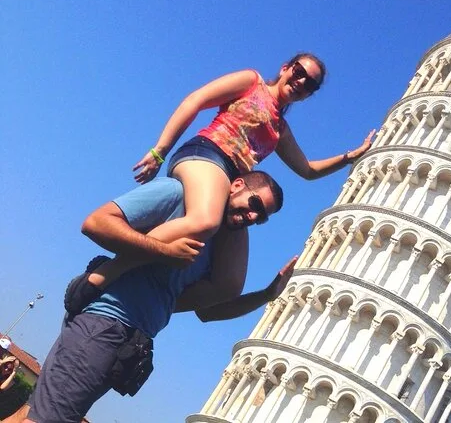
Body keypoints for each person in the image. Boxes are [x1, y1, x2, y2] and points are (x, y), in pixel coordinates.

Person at [65, 52, 374, 313]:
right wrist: (160, 150)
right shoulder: (252, 82)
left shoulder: (281, 129)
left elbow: (307, 169)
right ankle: (105, 275)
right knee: (205, 220)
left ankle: (154, 306)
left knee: (229, 284)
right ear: (285, 68)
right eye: (299, 72)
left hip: (232, 181)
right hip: (207, 154)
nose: (302, 82)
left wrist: (350, 156)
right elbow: (196, 100)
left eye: (311, 84)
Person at [25, 172, 295, 423]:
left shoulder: (218, 246)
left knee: (31, 415)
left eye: (261, 217)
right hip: (105, 323)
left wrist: (267, 294)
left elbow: (208, 312)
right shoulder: (176, 194)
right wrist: (164, 251)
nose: (252, 216)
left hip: (128, 342)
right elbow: (96, 223)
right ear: (236, 185)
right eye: (255, 204)